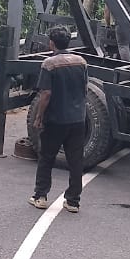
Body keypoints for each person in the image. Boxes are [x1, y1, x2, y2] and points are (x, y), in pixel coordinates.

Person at [30, 27, 89, 213]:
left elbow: (46, 93)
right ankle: (73, 201)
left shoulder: (49, 64)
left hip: (56, 120)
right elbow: (85, 88)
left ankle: (40, 196)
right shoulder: (81, 62)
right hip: (78, 120)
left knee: (46, 157)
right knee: (75, 161)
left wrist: (39, 117)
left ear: (51, 43)